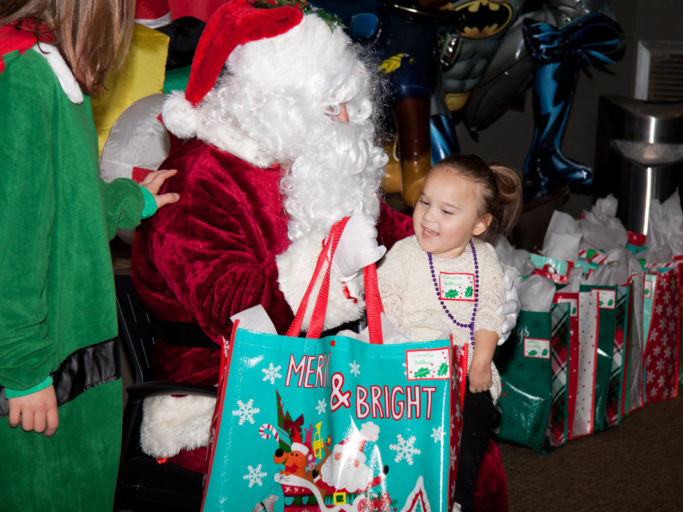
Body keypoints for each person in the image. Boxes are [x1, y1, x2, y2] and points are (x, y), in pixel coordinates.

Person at [131, 4, 519, 506]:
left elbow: (404, 233)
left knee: (460, 438)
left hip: (335, 366)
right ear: (273, 100)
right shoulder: (203, 176)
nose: (345, 119)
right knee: (392, 464)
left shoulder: (319, 161)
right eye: (329, 103)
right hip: (227, 393)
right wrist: (329, 268)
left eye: (349, 102)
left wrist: (476, 276)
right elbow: (229, 308)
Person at [0, 1, 179, 510]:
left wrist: (132, 199)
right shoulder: (24, 81)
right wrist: (23, 369)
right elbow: (10, 241)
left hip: (70, 373)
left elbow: (65, 205)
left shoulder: (50, 74)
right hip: (39, 383)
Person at [376, 153, 523, 512]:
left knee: (477, 410)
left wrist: (482, 362)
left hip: (464, 365)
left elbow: (491, 310)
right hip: (409, 365)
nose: (428, 216)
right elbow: (385, 308)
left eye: (447, 211)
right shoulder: (404, 253)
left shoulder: (484, 258)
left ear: (478, 224)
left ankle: (460, 496)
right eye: (425, 201)